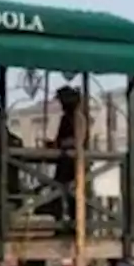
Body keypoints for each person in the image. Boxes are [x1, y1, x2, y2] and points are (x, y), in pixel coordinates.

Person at [42, 86, 82, 219]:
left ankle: (68, 220)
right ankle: (61, 218)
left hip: (72, 161)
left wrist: (57, 144)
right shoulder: (67, 118)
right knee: (60, 190)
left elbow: (77, 140)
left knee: (65, 191)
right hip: (65, 159)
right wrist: (54, 144)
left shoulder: (77, 118)